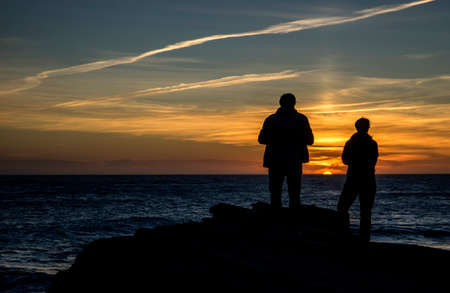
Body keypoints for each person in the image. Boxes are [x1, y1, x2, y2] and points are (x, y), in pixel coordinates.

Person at [258, 93, 314, 208]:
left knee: (275, 193)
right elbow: (310, 140)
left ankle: (276, 219)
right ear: (294, 103)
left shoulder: (271, 119)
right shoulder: (301, 119)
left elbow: (261, 139)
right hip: (294, 160)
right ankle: (293, 220)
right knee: (294, 193)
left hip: (275, 160)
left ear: (280, 103)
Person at [337, 118, 378, 243]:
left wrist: (355, 159)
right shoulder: (372, 143)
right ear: (367, 128)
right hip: (368, 179)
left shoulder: (350, 142)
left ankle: (346, 235)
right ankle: (364, 239)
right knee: (365, 212)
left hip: (354, 179)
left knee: (343, 208)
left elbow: (345, 160)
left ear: (356, 127)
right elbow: (373, 161)